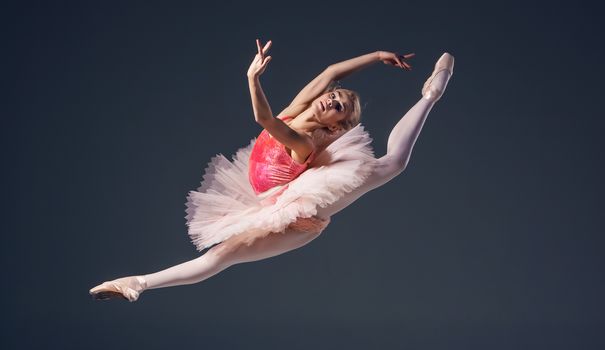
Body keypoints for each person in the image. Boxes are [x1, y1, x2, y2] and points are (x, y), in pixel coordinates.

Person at [89, 39, 454, 302]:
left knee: (392, 164)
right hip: (264, 197)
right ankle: (137, 282)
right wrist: (377, 55)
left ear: (337, 126)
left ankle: (429, 96)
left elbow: (262, 117)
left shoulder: (304, 142)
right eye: (336, 96)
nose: (332, 99)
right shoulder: (296, 109)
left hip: (296, 213)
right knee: (391, 165)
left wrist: (253, 78)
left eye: (339, 107)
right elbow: (330, 72)